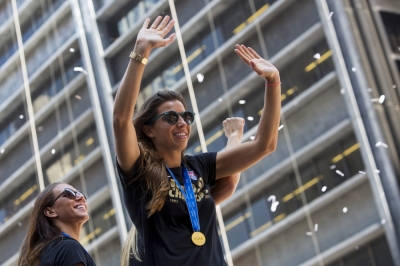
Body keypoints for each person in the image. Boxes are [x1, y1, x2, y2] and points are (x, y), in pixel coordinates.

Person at [113, 15, 280, 266]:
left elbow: (264, 145)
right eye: (170, 117)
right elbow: (121, 120)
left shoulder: (198, 167)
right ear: (148, 130)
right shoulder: (139, 173)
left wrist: (273, 81)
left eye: (186, 116)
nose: (182, 122)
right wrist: (141, 51)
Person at [18, 182, 96, 266]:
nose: (81, 197)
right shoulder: (68, 248)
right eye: (69, 193)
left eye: (80, 193)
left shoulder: (49, 252)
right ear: (50, 212)